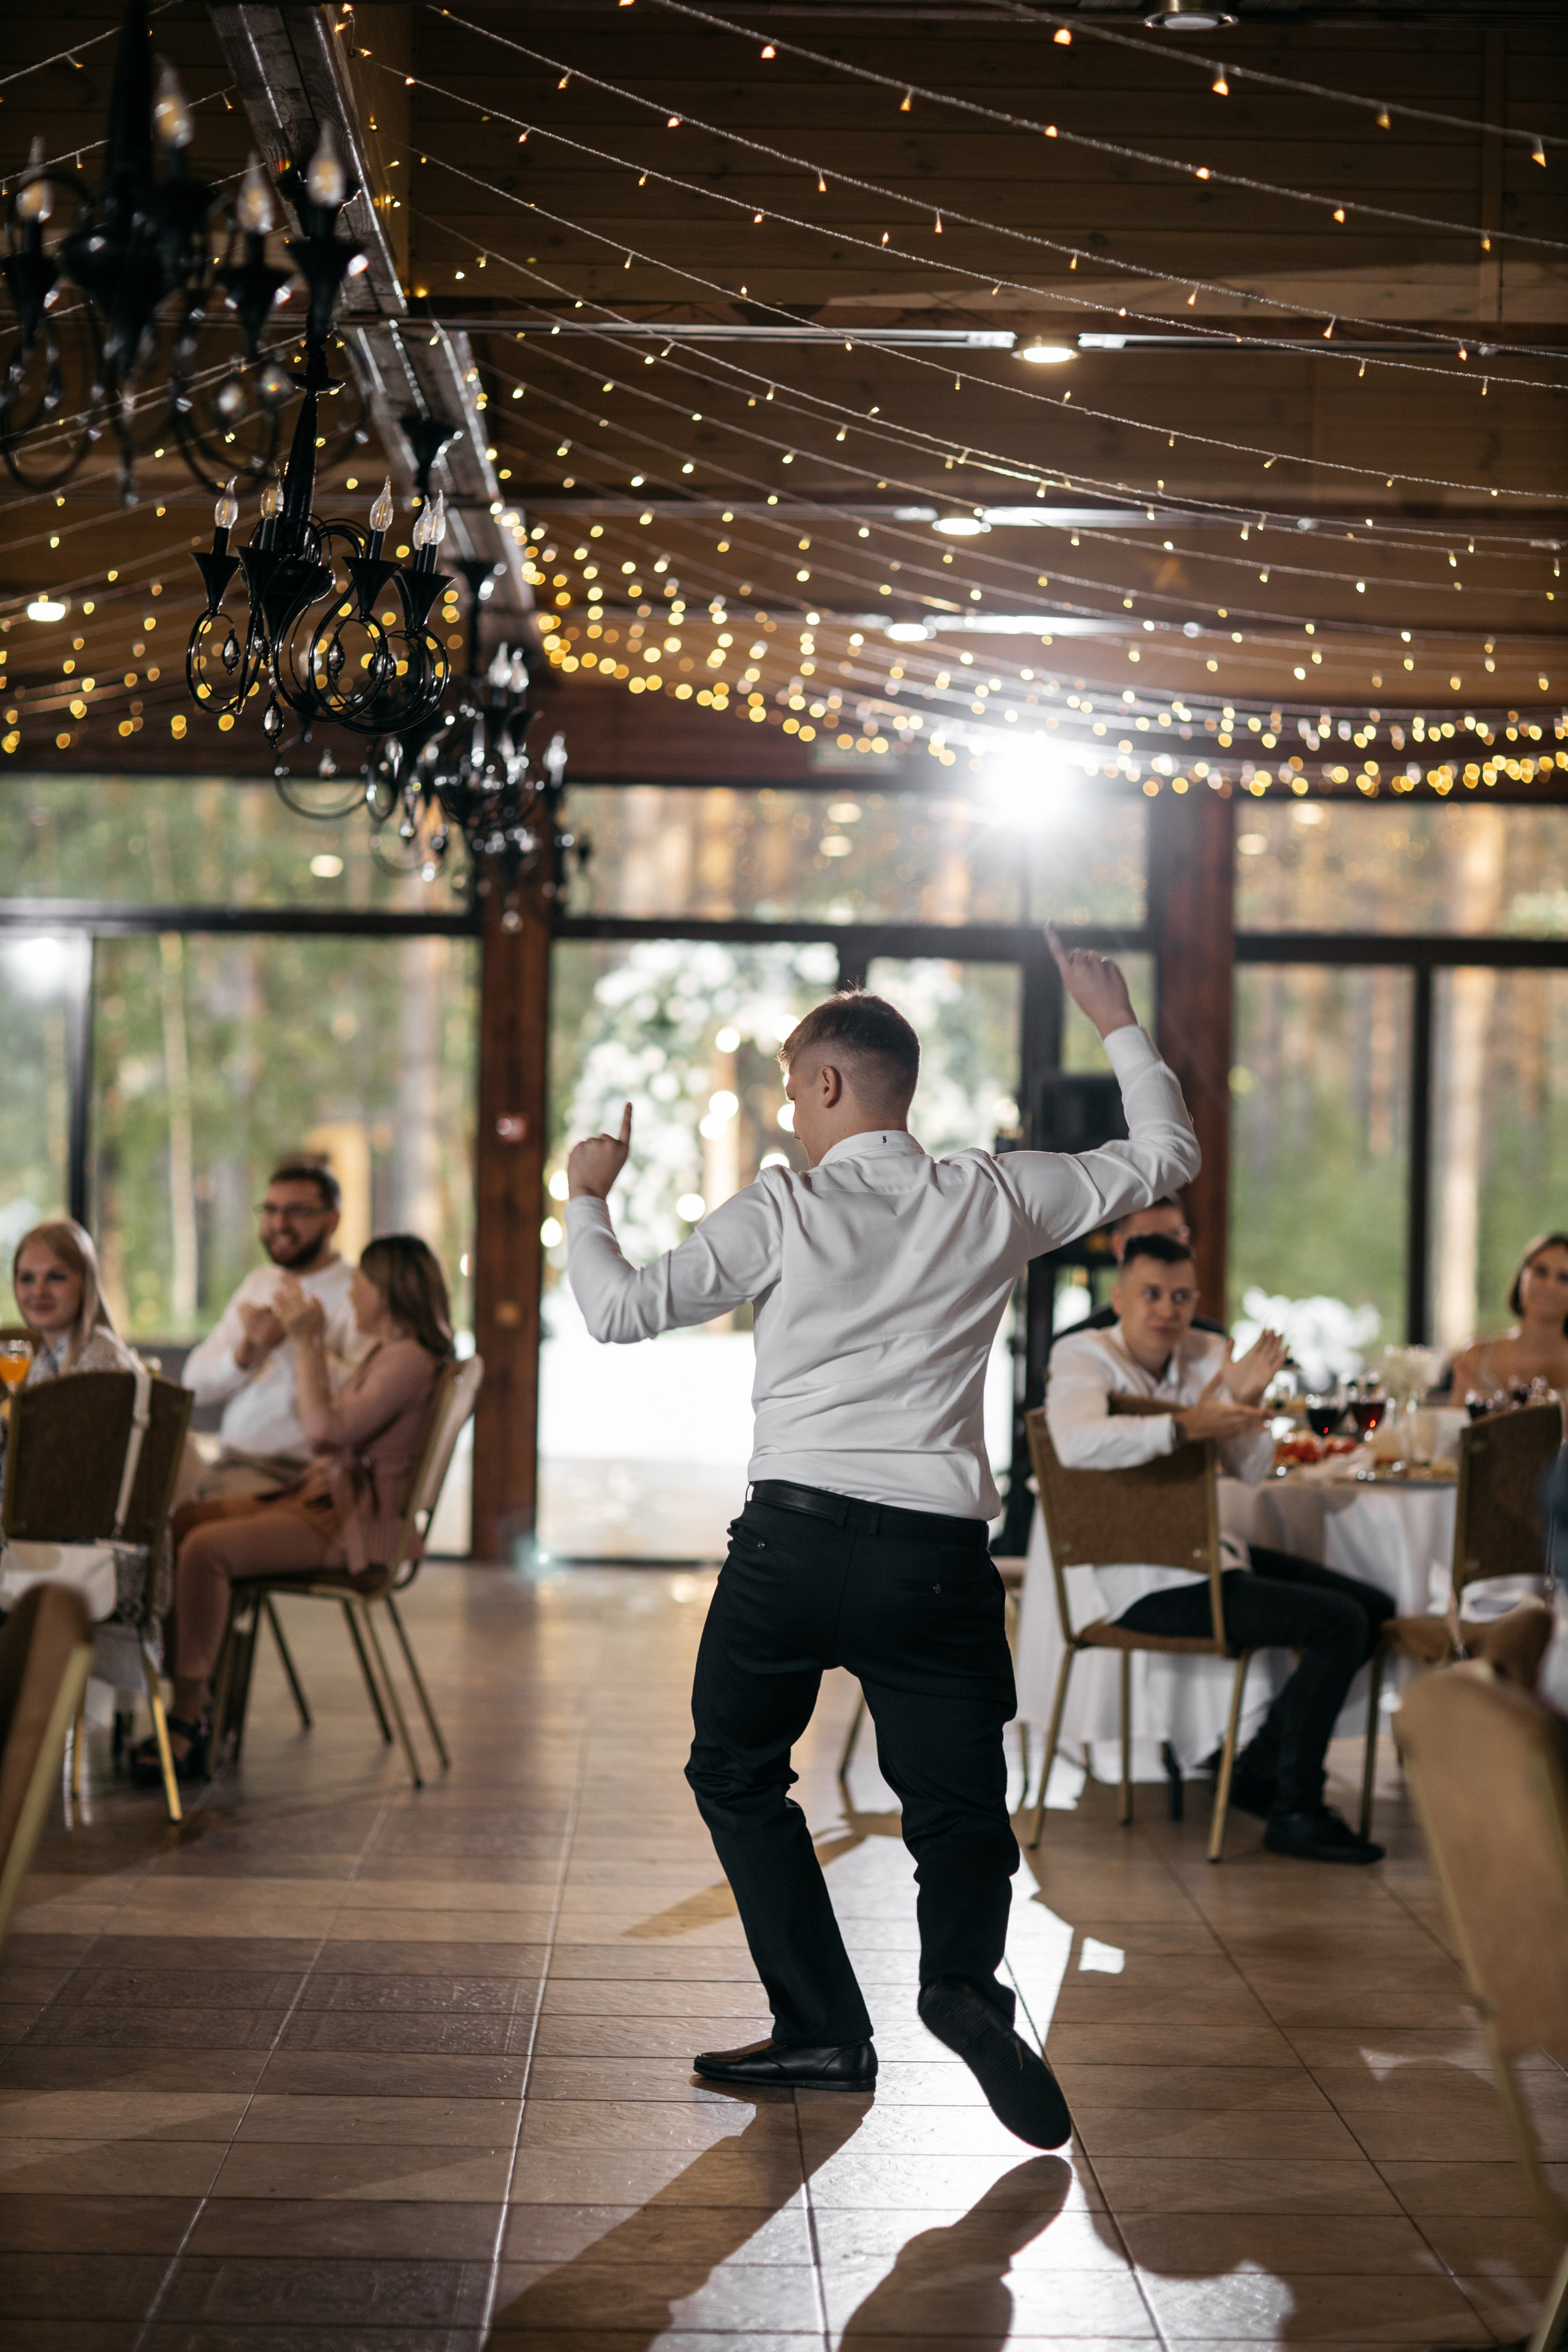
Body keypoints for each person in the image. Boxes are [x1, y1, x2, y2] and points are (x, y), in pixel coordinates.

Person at [565, 931, 1199, 2150]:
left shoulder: (785, 1205)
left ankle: (820, 2027)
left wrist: (589, 1191)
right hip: (933, 1558)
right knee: (958, 1807)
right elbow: (1165, 1155)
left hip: (788, 1551)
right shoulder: (990, 1192)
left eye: (790, 1092)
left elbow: (617, 1309)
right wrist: (1112, 1017)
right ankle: (960, 1980)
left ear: (823, 1085)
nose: (788, 1117)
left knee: (736, 1770)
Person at [1047, 1229, 1393, 1864]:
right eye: (1150, 1293)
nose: (1166, 1310)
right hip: (1145, 1584)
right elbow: (1073, 1443)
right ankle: (1293, 1808)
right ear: (1118, 1297)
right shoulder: (1082, 1355)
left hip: (1212, 1554)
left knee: (1372, 1607)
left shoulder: (1207, 1351)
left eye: (1180, 1296)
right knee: (1337, 1624)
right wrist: (1182, 1426)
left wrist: (1244, 1400)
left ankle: (1259, 1770)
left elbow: (1252, 1470)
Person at [132, 1235, 452, 1783]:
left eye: (363, 1282)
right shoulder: (393, 1354)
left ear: (389, 1294)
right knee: (182, 1522)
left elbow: (323, 1432)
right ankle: (194, 1691)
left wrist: (307, 1343)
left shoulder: (407, 1362)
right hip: (330, 1503)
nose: (352, 1289)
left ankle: (189, 1714)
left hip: (350, 1525)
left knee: (205, 1550)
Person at [183, 1161, 368, 1498]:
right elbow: (193, 1384)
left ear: (333, 1220)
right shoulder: (260, 1282)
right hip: (229, 1460)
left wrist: (294, 1343)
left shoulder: (357, 1291)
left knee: (176, 1525)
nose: (279, 1224)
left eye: (297, 1211)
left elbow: (364, 1401)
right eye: (270, 1210)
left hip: (295, 1474)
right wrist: (245, 1354)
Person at [1057, 1195, 1226, 1345]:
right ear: (1118, 1245)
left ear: (1186, 1240)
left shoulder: (1213, 1345)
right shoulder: (1078, 1344)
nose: (1162, 1252)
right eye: (1146, 1241)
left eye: (1173, 1236)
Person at [9, 1219, 141, 1388]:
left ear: (86, 1283)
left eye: (56, 1277)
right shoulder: (49, 1356)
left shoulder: (98, 1361)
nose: (39, 1291)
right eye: (27, 1278)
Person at [1447, 1232, 1568, 1404]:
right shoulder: (1477, 1357)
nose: (1550, 1286)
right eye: (1541, 1272)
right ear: (1522, 1277)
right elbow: (1454, 1428)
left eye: (1564, 1278)